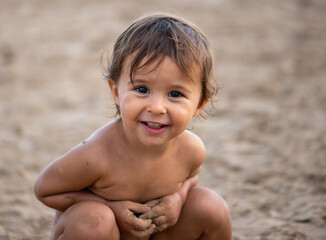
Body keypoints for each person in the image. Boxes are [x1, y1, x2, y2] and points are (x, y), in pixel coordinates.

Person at [34, 13, 232, 240]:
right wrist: (109, 206)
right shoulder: (97, 154)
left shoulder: (191, 150)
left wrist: (177, 198)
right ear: (116, 92)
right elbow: (45, 189)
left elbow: (190, 177)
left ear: (199, 104)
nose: (157, 107)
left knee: (211, 207)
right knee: (93, 220)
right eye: (142, 89)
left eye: (175, 94)